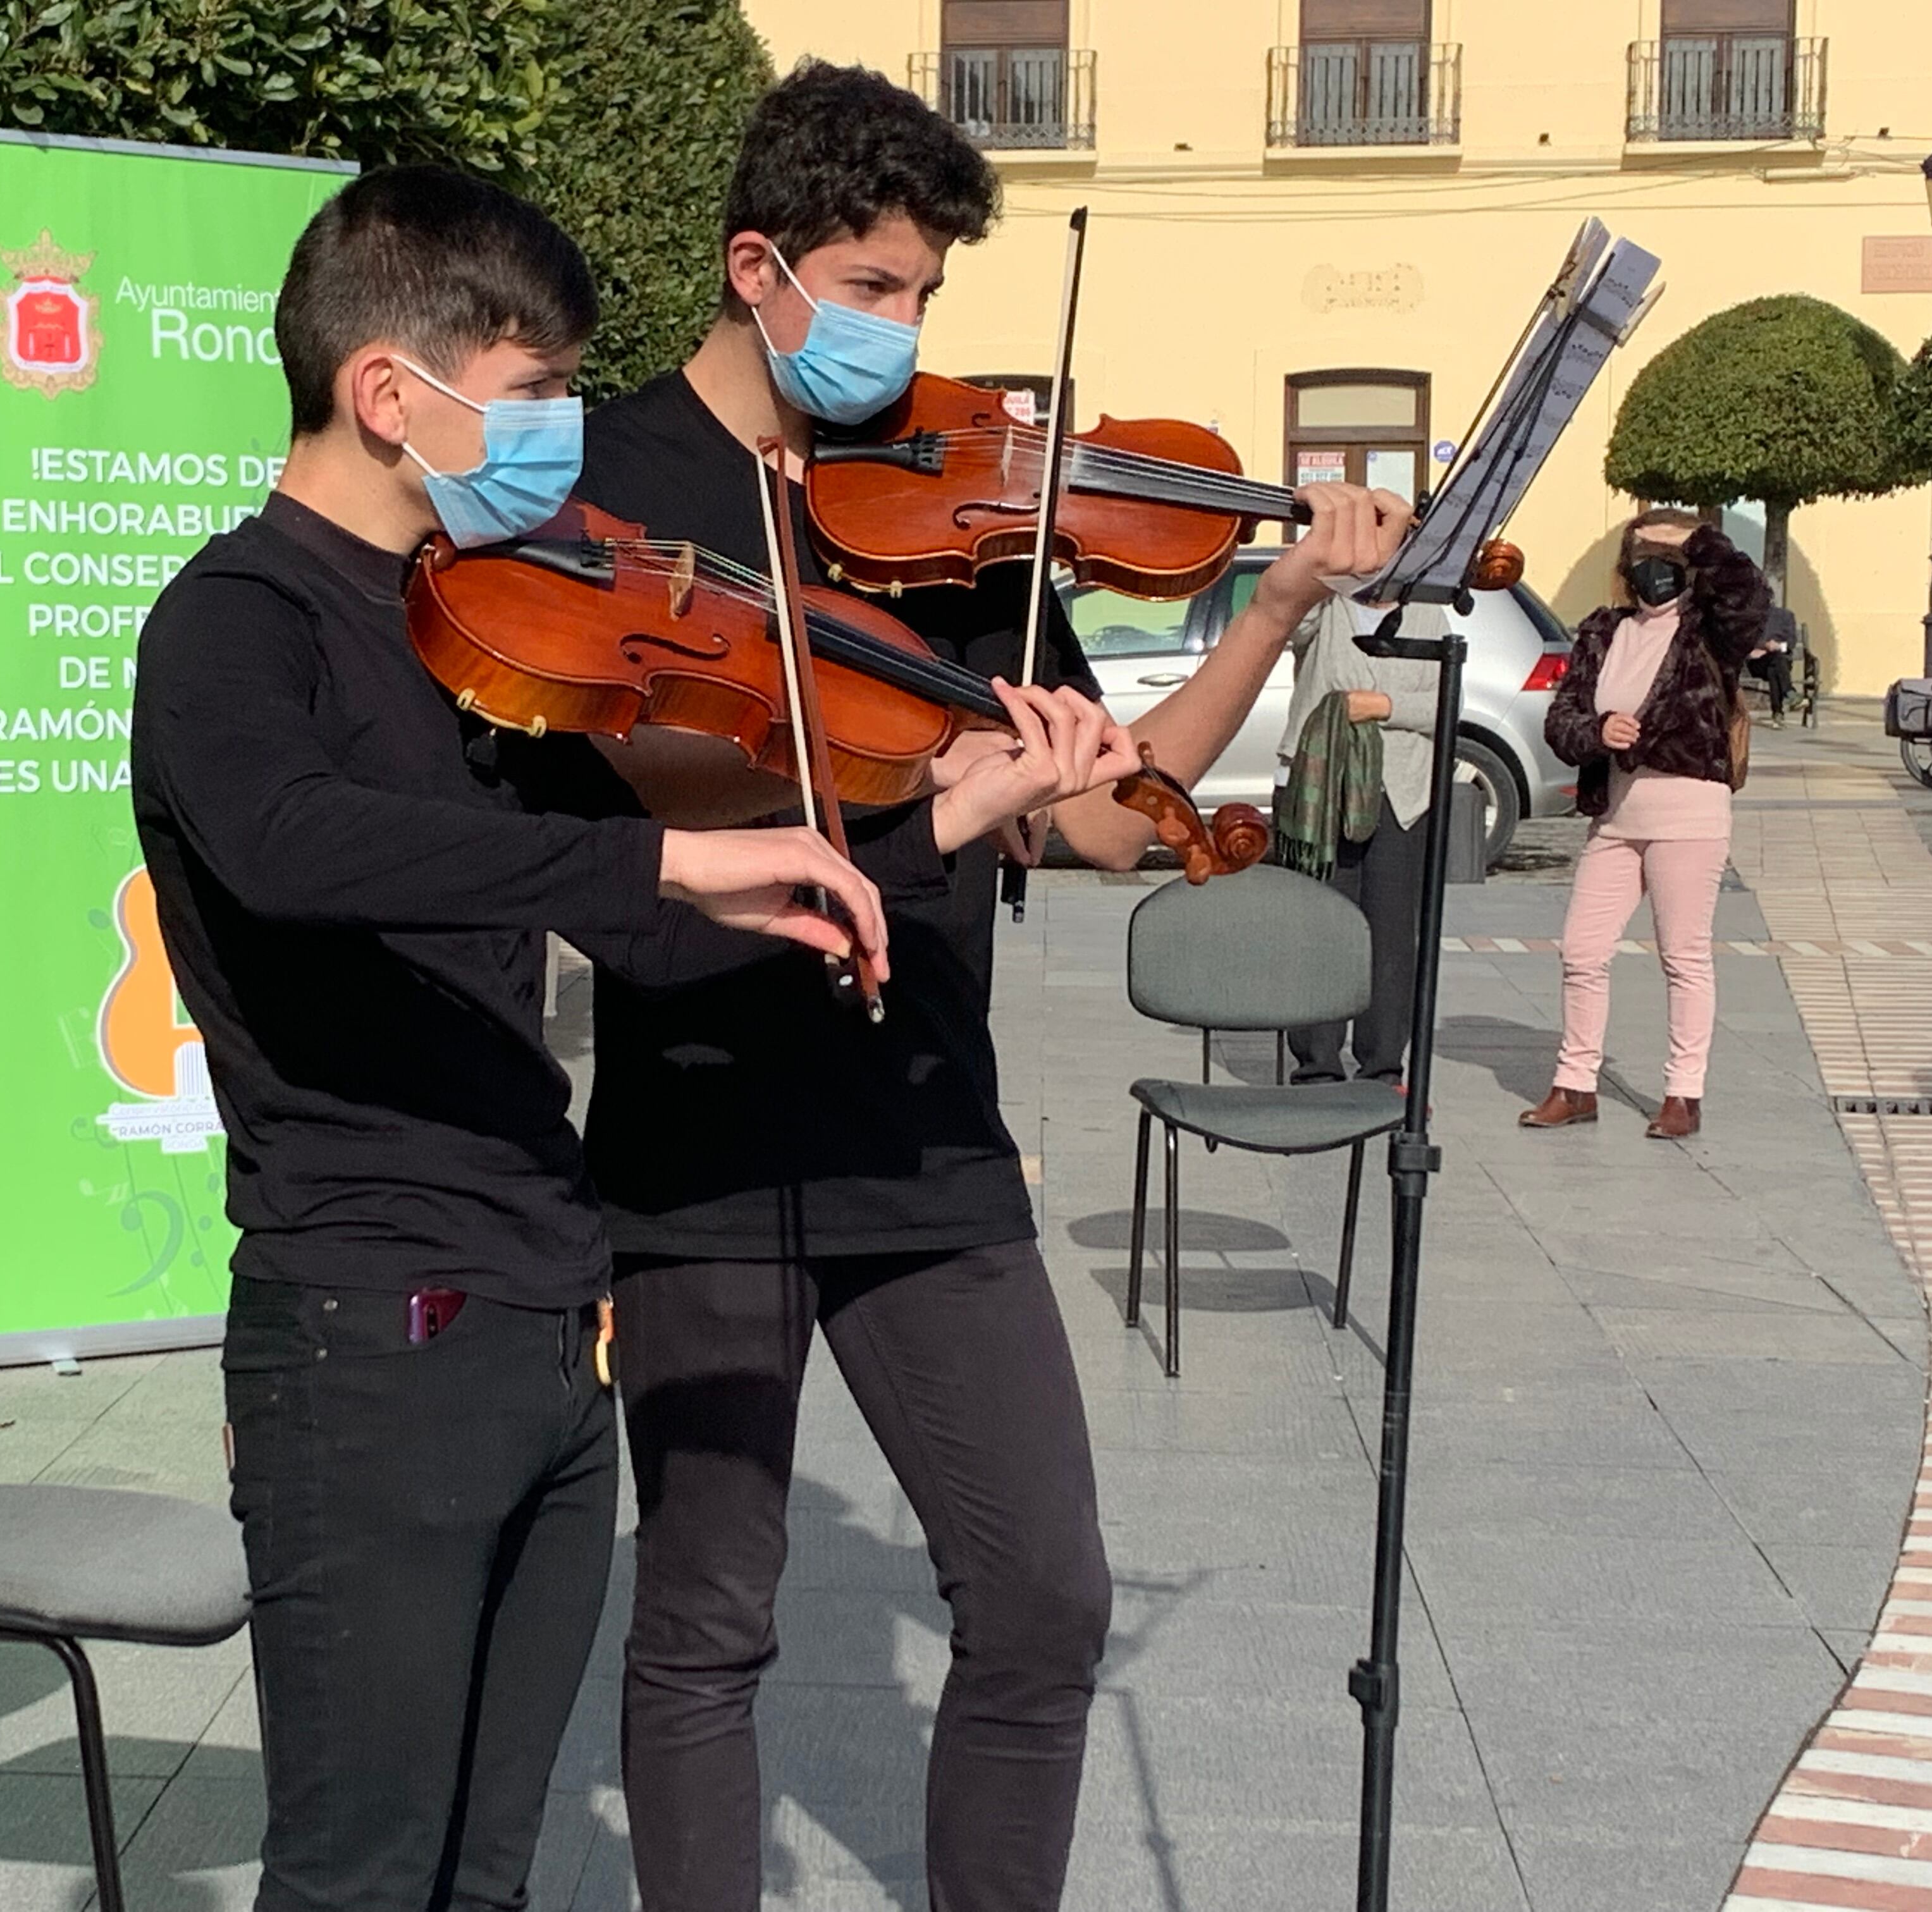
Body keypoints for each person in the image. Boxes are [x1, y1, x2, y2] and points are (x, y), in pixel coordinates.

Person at [126, 163, 1104, 1912]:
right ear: (385, 392)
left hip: (535, 1307)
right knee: (362, 1871)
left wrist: (864, 851)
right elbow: (296, 848)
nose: (566, 435)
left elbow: (624, 904)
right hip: (369, 1324)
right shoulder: (239, 618)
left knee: (488, 1868)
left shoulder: (470, 635)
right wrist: (661, 848)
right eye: (533, 396)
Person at [557, 62, 1414, 1912]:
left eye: (926, 297)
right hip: (702, 1133)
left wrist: (1266, 614)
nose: (907, 336)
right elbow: (643, 812)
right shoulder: (609, 487)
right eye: (875, 290)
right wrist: (919, 803)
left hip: (922, 1129)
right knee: (707, 1613)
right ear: (755, 263)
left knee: (1045, 1594)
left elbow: (1112, 822)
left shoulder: (932, 517)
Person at [1522, 510, 1765, 1140]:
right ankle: (1575, 1084)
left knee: (1683, 956)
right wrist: (1598, 732)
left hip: (1689, 812)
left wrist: (1702, 540)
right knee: (1582, 949)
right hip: (1616, 815)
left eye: (1670, 558)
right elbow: (1563, 718)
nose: (1654, 570)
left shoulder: (1708, 631)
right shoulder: (1604, 631)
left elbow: (1748, 595)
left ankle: (1684, 1094)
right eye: (1643, 557)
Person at [1277, 593, 1443, 1089]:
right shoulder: (1324, 607)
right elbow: (1289, 620)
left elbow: (1445, 703)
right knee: (1319, 929)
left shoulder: (1429, 614)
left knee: (1392, 935)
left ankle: (1384, 1068)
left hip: (1403, 791)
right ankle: (1317, 1066)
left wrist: (1384, 706)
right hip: (1320, 788)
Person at [1749, 599, 1797, 726]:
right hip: (1758, 663)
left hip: (1778, 662)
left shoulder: (1786, 616)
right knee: (1777, 662)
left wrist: (1778, 646)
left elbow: (1791, 643)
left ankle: (1778, 713)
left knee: (1775, 665)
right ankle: (1788, 693)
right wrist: (1765, 646)